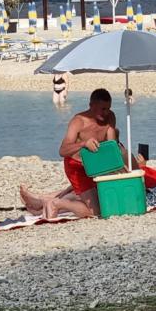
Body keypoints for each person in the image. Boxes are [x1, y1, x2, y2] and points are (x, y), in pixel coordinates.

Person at [18, 88, 119, 219]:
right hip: (76, 166)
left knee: (102, 201)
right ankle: (56, 203)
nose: (106, 113)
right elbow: (63, 150)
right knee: (96, 212)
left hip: (95, 165)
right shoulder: (79, 121)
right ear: (91, 106)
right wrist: (83, 144)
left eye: (108, 108)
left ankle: (41, 203)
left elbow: (110, 144)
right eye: (102, 109)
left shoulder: (110, 117)